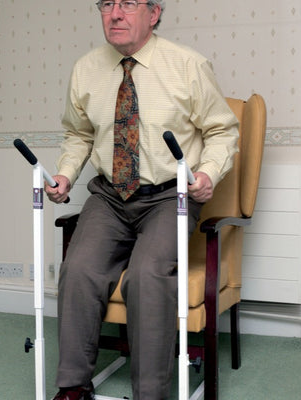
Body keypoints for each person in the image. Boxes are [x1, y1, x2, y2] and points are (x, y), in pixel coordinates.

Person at [45, 1, 239, 399]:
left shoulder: (188, 65)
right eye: (106, 5)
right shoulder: (86, 69)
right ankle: (72, 388)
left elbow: (223, 131)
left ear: (153, 13)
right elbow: (78, 134)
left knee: (148, 275)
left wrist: (208, 174)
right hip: (109, 196)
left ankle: (150, 394)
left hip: (169, 196)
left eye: (128, 4)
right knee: (78, 270)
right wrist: (65, 174)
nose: (115, 14)